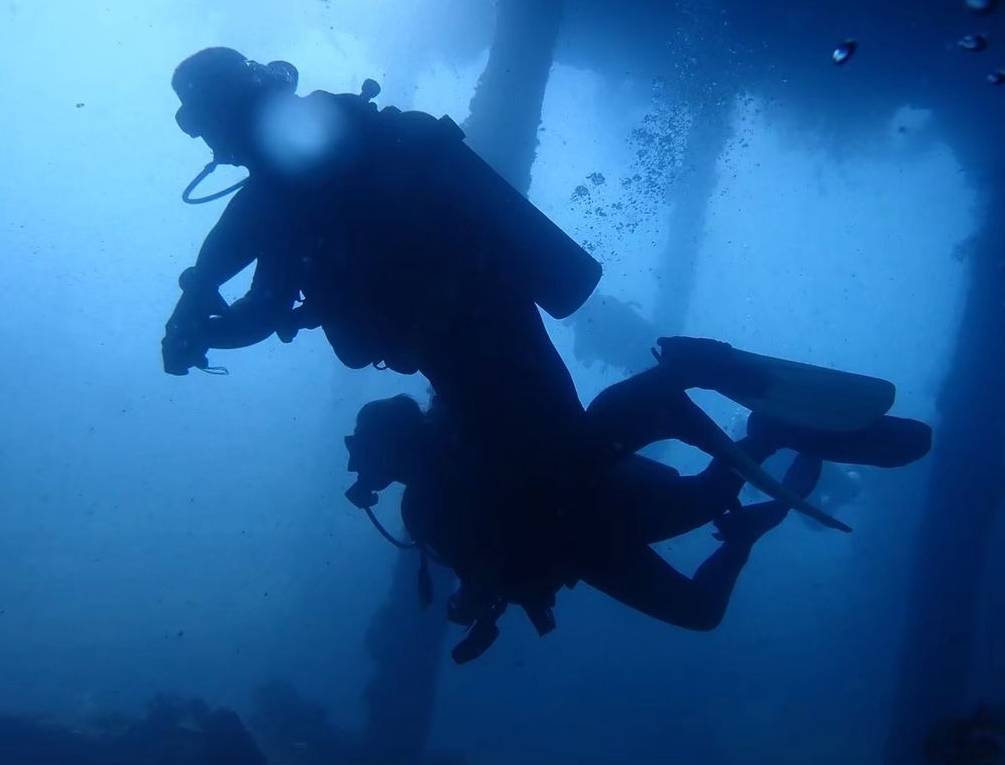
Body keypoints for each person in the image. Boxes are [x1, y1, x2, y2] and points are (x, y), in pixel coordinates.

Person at [162, 47, 599, 494]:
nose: (207, 142)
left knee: (554, 473)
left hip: (459, 332)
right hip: (483, 317)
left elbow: (264, 300)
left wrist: (199, 328)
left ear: (224, 111)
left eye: (199, 123)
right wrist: (197, 312)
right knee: (560, 457)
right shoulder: (316, 157)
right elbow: (248, 261)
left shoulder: (290, 183)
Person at [343, 341, 932, 662]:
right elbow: (490, 564)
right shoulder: (422, 506)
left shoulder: (459, 440)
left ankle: (706, 401)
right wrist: (478, 596)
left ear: (396, 444)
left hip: (600, 498)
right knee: (700, 608)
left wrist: (481, 589)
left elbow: (538, 434)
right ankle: (752, 448)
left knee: (699, 496)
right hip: (586, 546)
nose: (358, 467)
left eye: (364, 451)